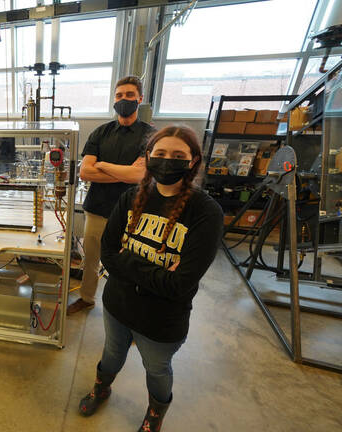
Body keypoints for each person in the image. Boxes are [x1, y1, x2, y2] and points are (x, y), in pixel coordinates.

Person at [78, 126, 223, 431]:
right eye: (160, 154)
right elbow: (107, 252)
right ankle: (101, 388)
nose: (168, 161)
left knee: (156, 369)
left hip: (162, 318)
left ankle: (155, 413)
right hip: (118, 304)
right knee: (112, 354)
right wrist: (151, 272)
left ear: (193, 161)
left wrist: (127, 260)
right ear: (148, 158)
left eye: (178, 156)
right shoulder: (131, 196)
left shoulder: (206, 212)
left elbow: (180, 283)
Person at [68, 76, 156, 314]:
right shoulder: (101, 132)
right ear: (113, 99)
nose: (123, 100)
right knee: (91, 259)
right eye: (119, 95)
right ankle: (87, 298)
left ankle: (130, 309)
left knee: (132, 262)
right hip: (98, 207)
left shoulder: (150, 136)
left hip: (134, 211)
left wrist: (104, 165)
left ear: (140, 98)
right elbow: (85, 171)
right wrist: (125, 172)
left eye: (129, 95)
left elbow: (139, 176)